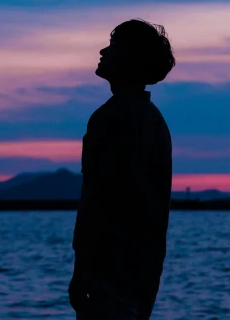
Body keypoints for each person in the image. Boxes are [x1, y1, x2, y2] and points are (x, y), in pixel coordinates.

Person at [69, 18, 175, 320]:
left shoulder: (111, 118)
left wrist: (82, 271)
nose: (103, 51)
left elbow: (98, 199)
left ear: (130, 59)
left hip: (110, 268)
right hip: (142, 268)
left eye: (113, 47)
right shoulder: (153, 120)